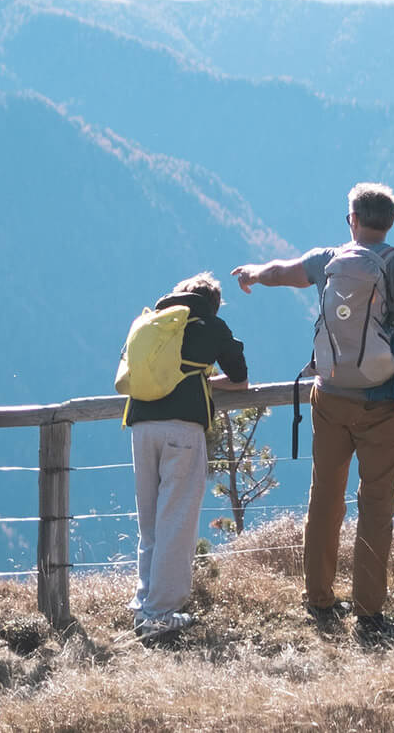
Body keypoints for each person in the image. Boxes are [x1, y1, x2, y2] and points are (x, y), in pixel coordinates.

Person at [231, 182, 394, 643]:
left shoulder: (326, 260)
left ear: (351, 219)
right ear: (389, 222)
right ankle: (370, 614)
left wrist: (252, 272)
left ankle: (320, 601)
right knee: (376, 506)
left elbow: (279, 271)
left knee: (325, 499)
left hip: (329, 397)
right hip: (382, 403)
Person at [121, 273, 249, 640]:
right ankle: (161, 614)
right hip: (183, 430)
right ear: (214, 302)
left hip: (141, 426)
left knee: (150, 522)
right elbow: (240, 377)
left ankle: (145, 604)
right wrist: (206, 382)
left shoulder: (150, 322)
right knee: (176, 520)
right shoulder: (211, 325)